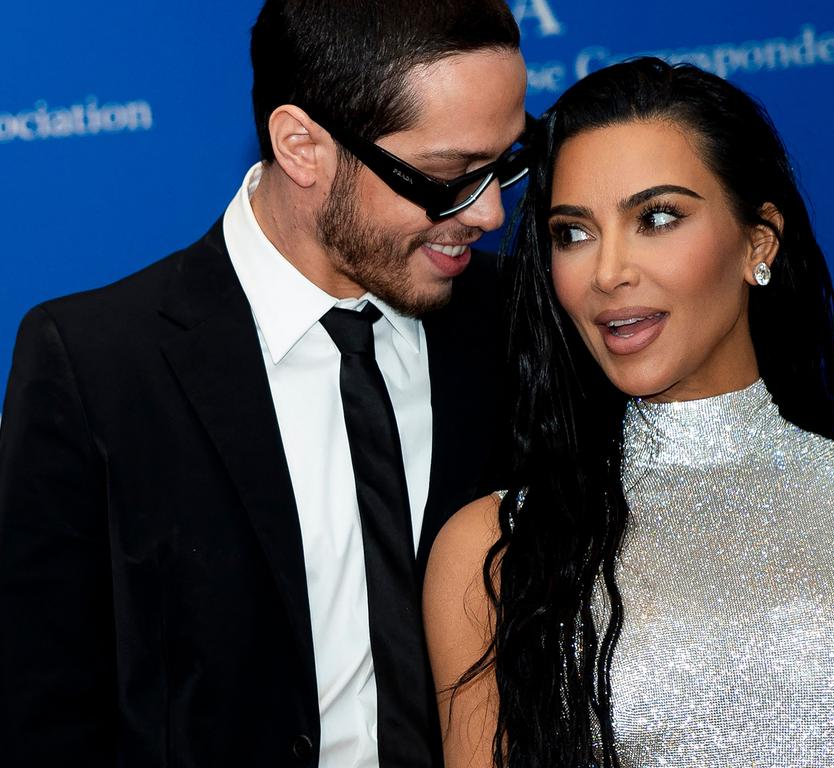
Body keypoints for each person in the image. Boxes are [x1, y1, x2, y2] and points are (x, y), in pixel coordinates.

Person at [424, 58, 834, 768]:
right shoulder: (493, 550)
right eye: (572, 233)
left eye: (657, 217)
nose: (609, 271)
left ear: (757, 242)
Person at [0, 1, 527, 766]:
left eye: (506, 162)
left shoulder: (517, 322)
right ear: (302, 146)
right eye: (448, 176)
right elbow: (41, 712)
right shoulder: (96, 366)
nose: (488, 211)